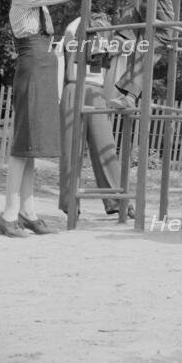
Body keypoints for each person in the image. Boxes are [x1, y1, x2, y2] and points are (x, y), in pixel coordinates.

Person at [0, 0, 104, 237]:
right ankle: (8, 215)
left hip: (42, 71)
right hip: (31, 70)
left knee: (32, 147)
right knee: (22, 146)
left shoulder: (38, 2)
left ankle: (27, 212)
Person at [58, 14, 134, 219]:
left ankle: (118, 200)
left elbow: (129, 46)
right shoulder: (75, 29)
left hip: (97, 91)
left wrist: (114, 39)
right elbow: (69, 41)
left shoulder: (110, 38)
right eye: (97, 24)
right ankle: (69, 202)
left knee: (105, 146)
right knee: (70, 148)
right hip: (74, 86)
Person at [106, 0, 175, 110]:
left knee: (141, 60)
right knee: (130, 8)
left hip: (161, 31)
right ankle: (125, 39)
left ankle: (129, 98)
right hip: (148, 27)